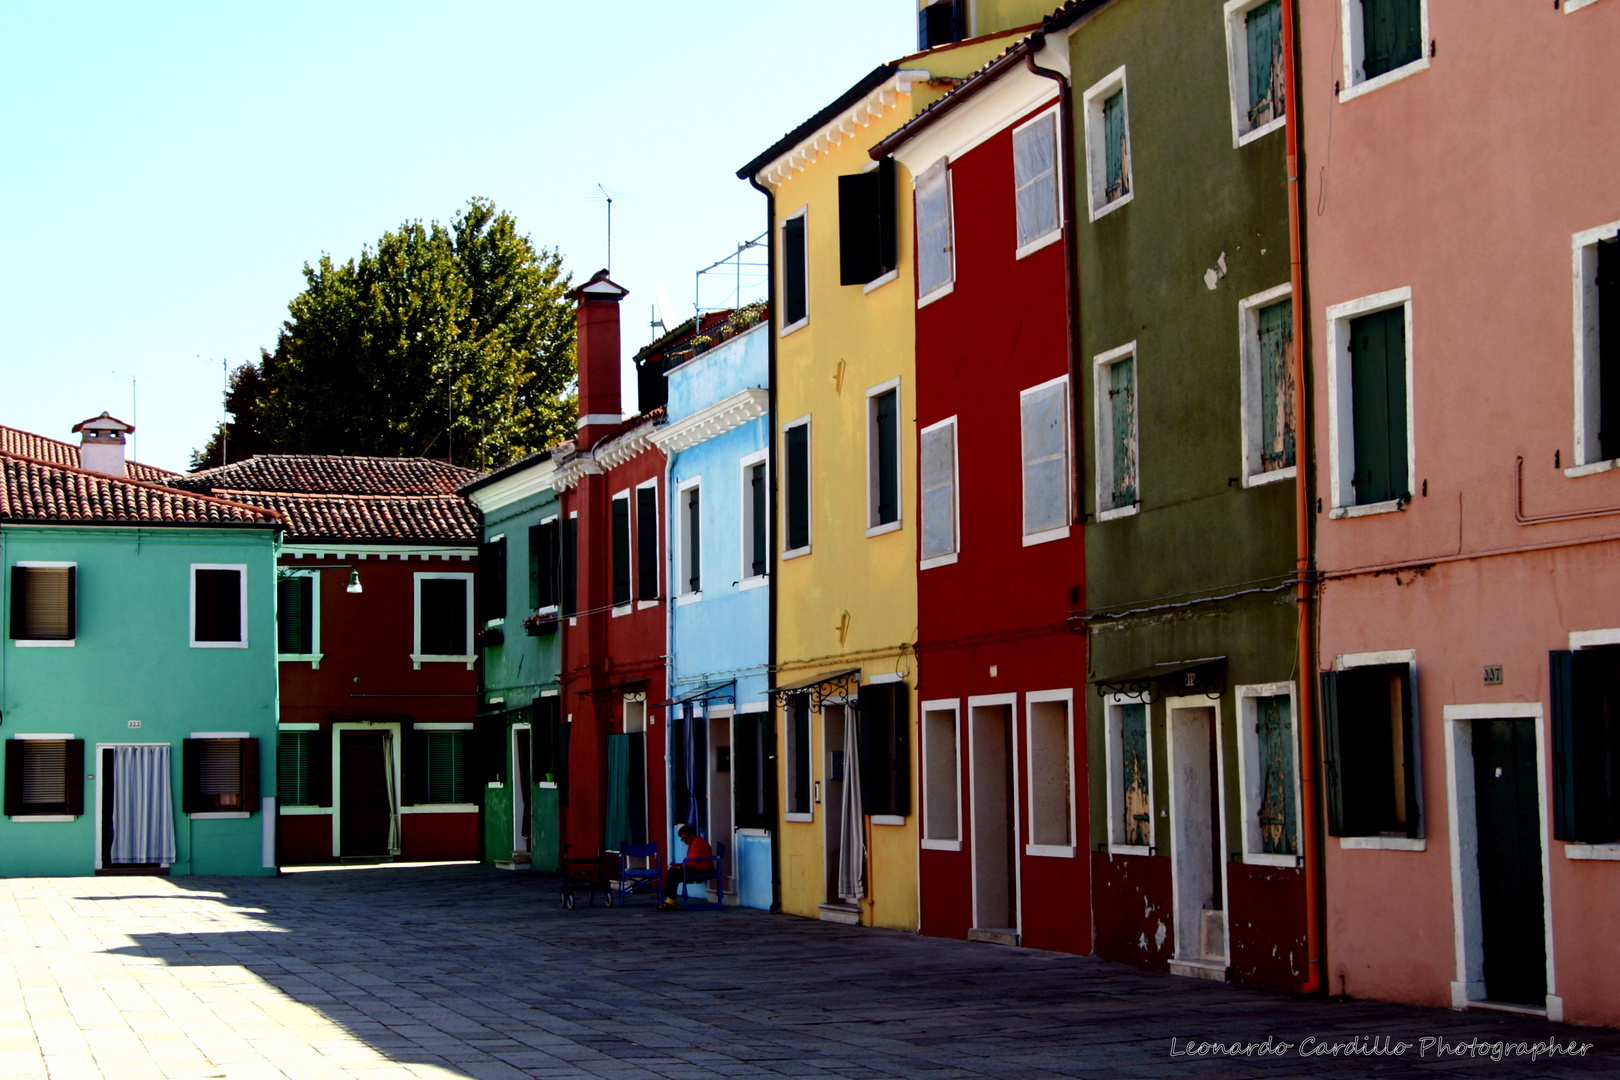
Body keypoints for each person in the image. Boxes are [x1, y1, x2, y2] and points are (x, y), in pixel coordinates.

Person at [657, 824, 715, 910]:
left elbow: (693, 862)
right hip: (697, 868)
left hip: (702, 869)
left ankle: (670, 899)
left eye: (685, 838)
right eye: (682, 839)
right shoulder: (694, 843)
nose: (684, 841)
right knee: (672, 872)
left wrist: (682, 866)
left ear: (692, 835)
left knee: (673, 874)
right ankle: (670, 898)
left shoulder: (698, 843)